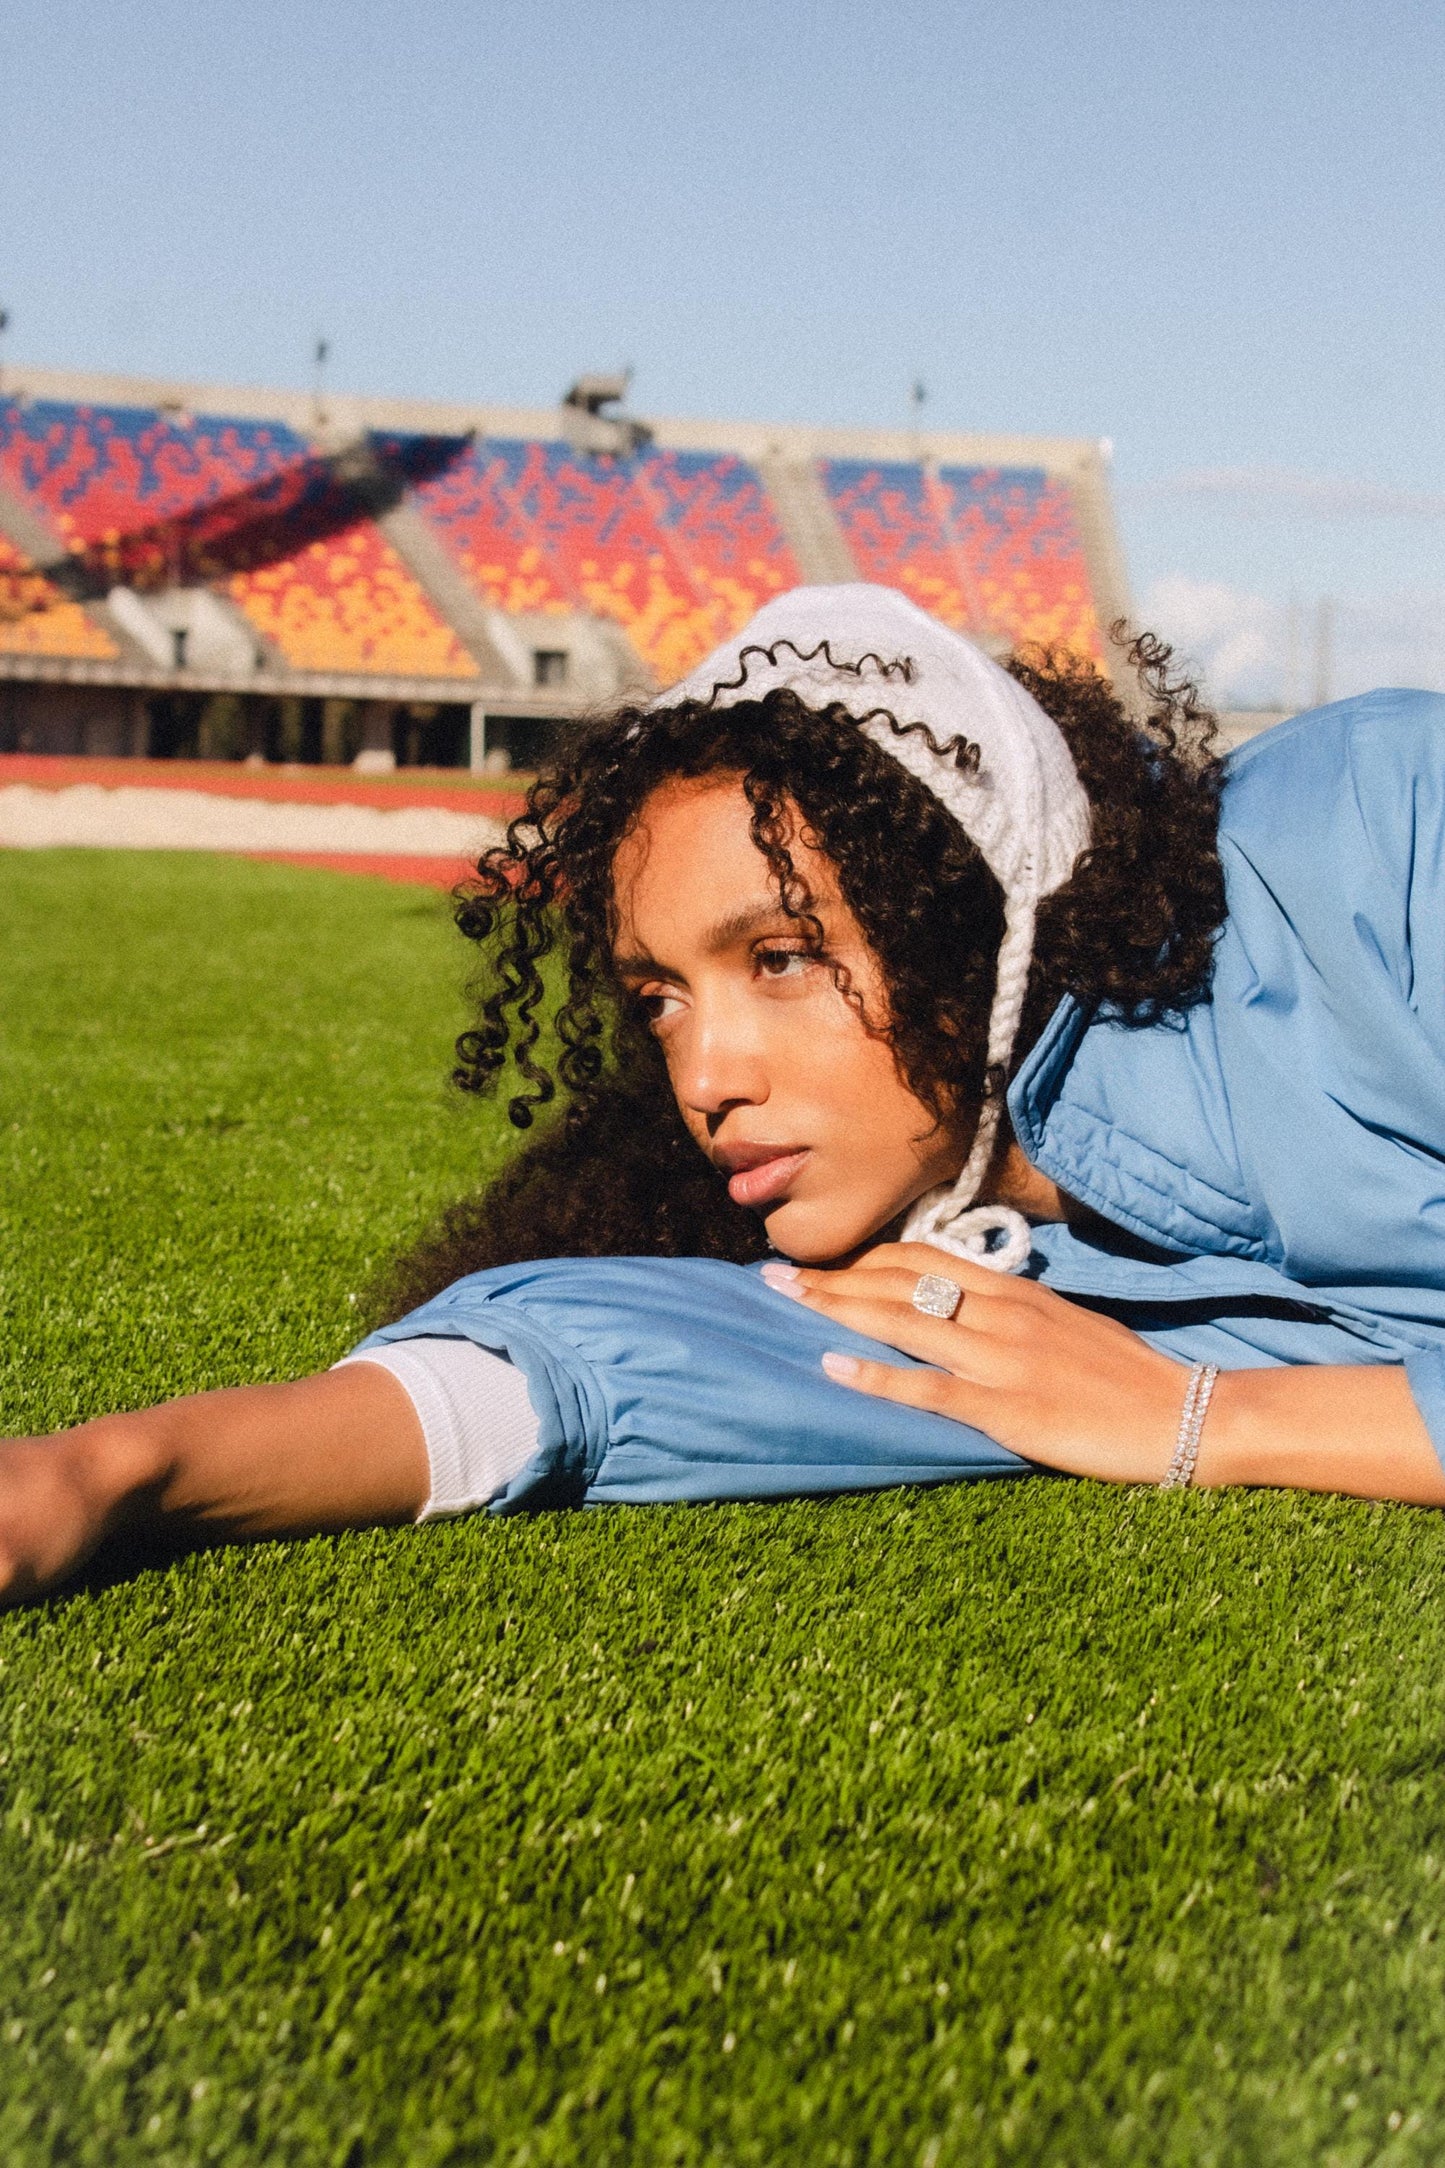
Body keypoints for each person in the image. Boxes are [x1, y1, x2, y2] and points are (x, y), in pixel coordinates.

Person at [4, 584, 1444, 1607]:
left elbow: (1181, 1411)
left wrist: (1209, 1422)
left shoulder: (1370, 829)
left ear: (964, 906)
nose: (707, 1076)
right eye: (658, 999)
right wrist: (107, 1474)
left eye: (781, 956)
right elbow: (581, 1370)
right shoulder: (938, 1278)